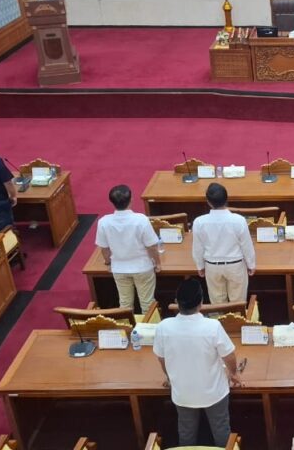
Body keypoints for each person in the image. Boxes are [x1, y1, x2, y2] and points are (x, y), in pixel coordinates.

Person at [154, 278, 242, 448]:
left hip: (182, 393)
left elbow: (161, 357)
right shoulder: (212, 326)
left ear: (176, 302)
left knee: (186, 432)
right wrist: (234, 373)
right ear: (201, 303)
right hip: (214, 393)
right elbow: (229, 355)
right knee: (221, 430)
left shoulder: (163, 327)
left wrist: (169, 377)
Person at [95, 185, 162, 314]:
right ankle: (148, 332)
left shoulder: (104, 222)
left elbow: (104, 248)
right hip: (143, 268)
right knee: (148, 303)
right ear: (131, 199)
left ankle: (127, 331)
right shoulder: (141, 219)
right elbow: (151, 246)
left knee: (125, 304)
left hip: (119, 268)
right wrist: (157, 263)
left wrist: (108, 263)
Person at [192, 183, 256, 303]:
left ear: (208, 202)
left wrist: (199, 266)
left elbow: (198, 248)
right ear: (227, 199)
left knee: (217, 304)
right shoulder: (239, 220)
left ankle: (220, 322)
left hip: (212, 266)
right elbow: (246, 245)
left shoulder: (199, 222)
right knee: (237, 304)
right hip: (235, 265)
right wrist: (251, 264)